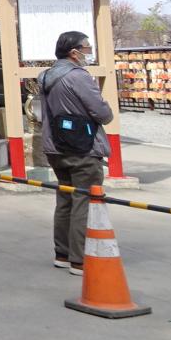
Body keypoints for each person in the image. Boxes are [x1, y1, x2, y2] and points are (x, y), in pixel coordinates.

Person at [39, 30, 113, 275]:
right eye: (87, 48)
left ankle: (62, 253)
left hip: (55, 146)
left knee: (65, 199)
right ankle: (79, 259)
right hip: (82, 146)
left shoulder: (46, 76)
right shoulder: (78, 76)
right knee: (84, 201)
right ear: (74, 52)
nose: (88, 52)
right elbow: (102, 113)